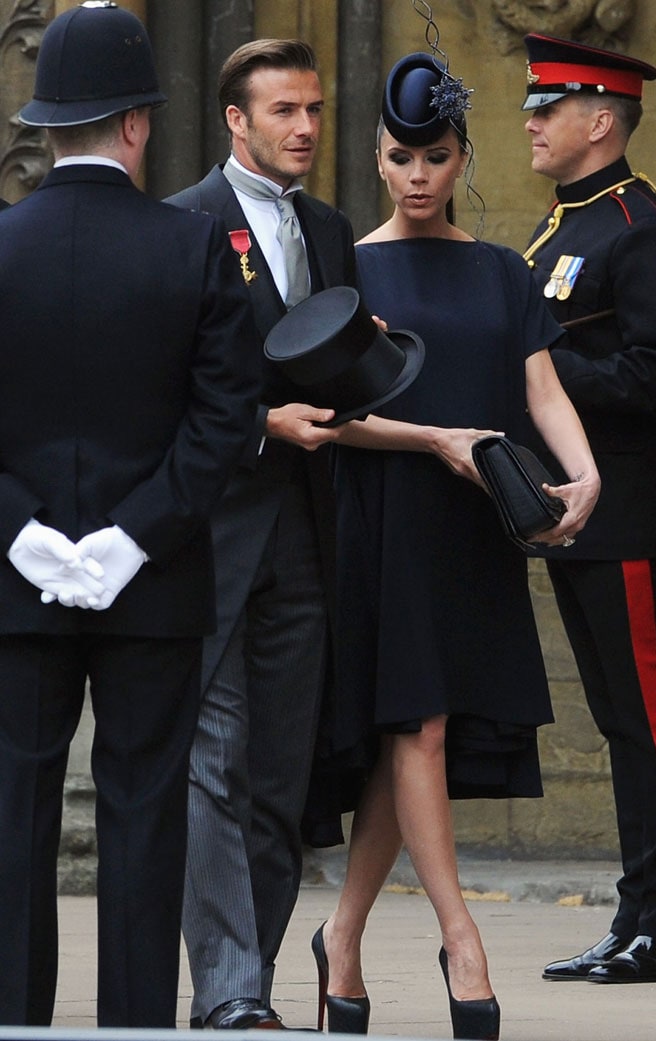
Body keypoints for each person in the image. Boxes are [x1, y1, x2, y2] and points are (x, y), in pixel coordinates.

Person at [308, 51, 600, 1041]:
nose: (419, 173)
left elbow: (541, 391)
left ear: (460, 157)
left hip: (474, 531)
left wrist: (584, 471)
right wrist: (435, 440)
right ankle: (460, 936)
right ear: (379, 163)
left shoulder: (501, 270)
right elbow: (323, 416)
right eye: (401, 157)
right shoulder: (346, 266)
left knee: (414, 739)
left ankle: (339, 939)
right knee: (418, 728)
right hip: (384, 519)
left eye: (436, 155)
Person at [0, 3, 260, 1028]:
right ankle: (137, 1026)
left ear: (48, 126)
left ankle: (14, 1021)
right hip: (153, 584)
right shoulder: (194, 248)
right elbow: (226, 422)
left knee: (16, 817)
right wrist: (131, 538)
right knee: (145, 814)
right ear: (137, 123)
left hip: (16, 587)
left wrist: (24, 534)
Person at [165, 39, 356, 1030]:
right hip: (213, 540)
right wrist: (257, 424)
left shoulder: (329, 229)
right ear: (235, 120)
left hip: (309, 541)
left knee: (282, 778)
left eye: (315, 109)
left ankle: (249, 982)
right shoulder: (182, 226)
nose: (306, 128)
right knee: (215, 767)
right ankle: (232, 990)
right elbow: (155, 392)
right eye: (285, 110)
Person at [520, 33, 656, 985]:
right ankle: (639, 915)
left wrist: (542, 371)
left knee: (648, 719)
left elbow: (651, 373)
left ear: (601, 121)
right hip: (581, 512)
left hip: (630, 508)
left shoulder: (641, 227)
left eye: (548, 110)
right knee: (620, 719)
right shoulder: (563, 226)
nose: (532, 124)